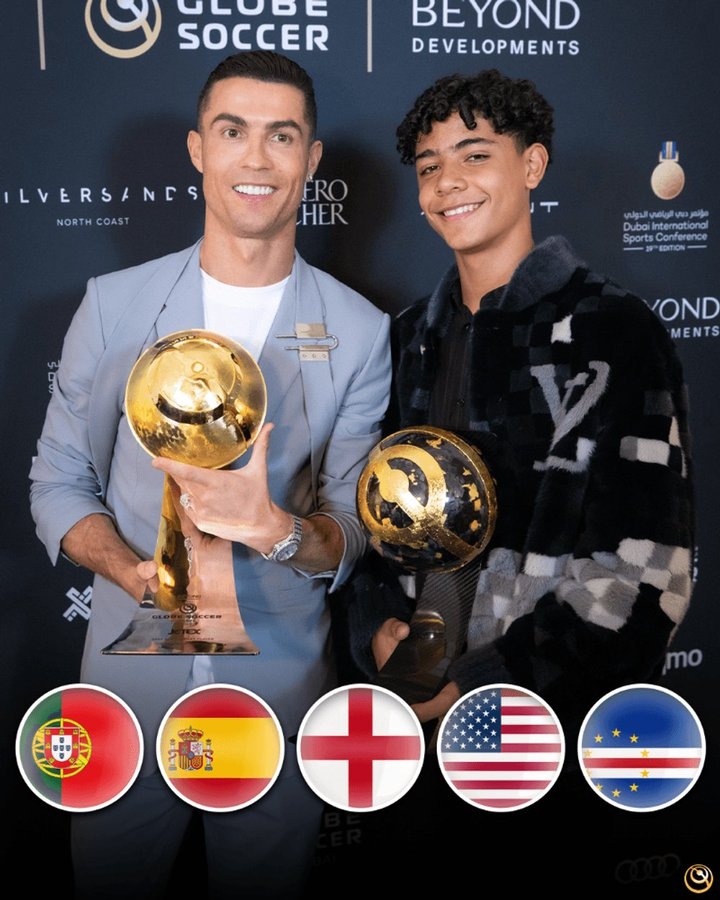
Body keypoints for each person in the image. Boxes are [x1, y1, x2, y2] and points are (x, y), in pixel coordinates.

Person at [28, 50, 391, 899]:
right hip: (126, 690)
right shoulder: (114, 305)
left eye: (282, 136)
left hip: (278, 693)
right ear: (198, 149)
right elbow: (58, 482)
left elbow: (352, 527)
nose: (256, 158)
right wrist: (133, 573)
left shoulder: (360, 331)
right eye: (233, 132)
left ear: (311, 158)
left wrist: (278, 531)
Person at [336, 68, 695, 882]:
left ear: (531, 166)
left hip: (546, 741)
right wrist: (376, 630)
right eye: (429, 167)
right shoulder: (405, 339)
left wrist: (481, 681)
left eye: (474, 156)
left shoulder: (613, 330)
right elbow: (372, 524)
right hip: (406, 730)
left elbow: (648, 578)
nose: (447, 183)